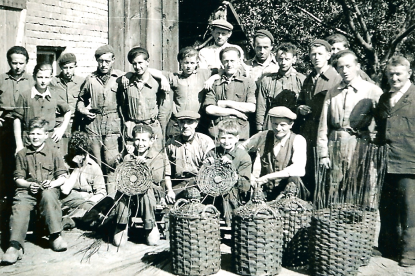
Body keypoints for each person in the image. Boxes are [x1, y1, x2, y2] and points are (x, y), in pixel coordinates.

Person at [1, 118, 68, 265]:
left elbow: (62, 176)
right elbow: (18, 179)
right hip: (27, 191)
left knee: (49, 195)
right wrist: (28, 185)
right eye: (32, 134)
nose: (35, 137)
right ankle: (15, 246)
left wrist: (51, 183)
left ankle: (55, 236)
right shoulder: (22, 154)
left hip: (48, 189)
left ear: (46, 136)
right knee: (20, 204)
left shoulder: (54, 152)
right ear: (27, 136)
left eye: (39, 133)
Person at [375, 56, 415, 266]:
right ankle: (388, 248)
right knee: (387, 208)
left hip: (410, 162)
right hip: (386, 162)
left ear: (409, 73)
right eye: (390, 74)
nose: (394, 78)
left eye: (398, 73)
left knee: (410, 211)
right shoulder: (384, 98)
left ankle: (409, 254)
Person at [317, 50, 382, 171]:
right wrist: (323, 154)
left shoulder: (373, 91)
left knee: (357, 184)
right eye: (341, 67)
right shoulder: (332, 92)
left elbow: (381, 123)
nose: (345, 71)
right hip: (335, 146)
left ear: (357, 66)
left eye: (348, 66)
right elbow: (323, 126)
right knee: (334, 186)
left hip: (360, 146)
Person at [297, 39, 342, 197]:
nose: (316, 57)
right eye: (313, 54)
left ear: (329, 55)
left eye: (320, 54)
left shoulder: (336, 78)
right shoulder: (309, 78)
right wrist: (300, 108)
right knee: (309, 169)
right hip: (308, 131)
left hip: (326, 132)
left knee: (326, 173)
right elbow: (301, 101)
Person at [113, 124, 169, 247]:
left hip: (151, 191)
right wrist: (128, 159)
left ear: (151, 141)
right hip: (130, 193)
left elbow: (157, 179)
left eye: (144, 140)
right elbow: (122, 175)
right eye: (137, 139)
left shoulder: (157, 156)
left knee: (145, 189)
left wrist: (144, 167)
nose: (140, 143)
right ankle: (122, 224)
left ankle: (150, 224)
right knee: (119, 243)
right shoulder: (128, 156)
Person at [77, 45, 123, 180]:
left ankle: (112, 196)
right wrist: (84, 110)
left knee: (112, 162)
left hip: (112, 125)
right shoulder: (90, 79)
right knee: (95, 163)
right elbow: (81, 100)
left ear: (113, 60)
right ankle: (98, 196)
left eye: (107, 61)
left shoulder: (120, 78)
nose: (103, 65)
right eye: (100, 61)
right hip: (93, 125)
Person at [240, 106, 307, 201]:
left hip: (287, 193)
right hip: (265, 191)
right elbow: (240, 149)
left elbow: (298, 168)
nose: (278, 128)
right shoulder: (263, 136)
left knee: (294, 178)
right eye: (275, 124)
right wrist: (248, 174)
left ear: (291, 124)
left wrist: (268, 177)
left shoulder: (298, 140)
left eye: (282, 125)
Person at [117, 47, 171, 153]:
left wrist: (160, 128)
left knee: (155, 159)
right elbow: (123, 106)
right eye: (134, 64)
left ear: (148, 62)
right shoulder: (127, 82)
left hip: (152, 126)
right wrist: (128, 123)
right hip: (133, 127)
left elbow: (164, 109)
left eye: (140, 63)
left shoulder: (157, 83)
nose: (137, 67)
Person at [13, 63, 71, 156]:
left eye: (46, 77)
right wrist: (19, 144)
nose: (43, 81)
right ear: (34, 77)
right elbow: (17, 119)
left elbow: (67, 111)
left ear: (51, 78)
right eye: (40, 77)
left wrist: (61, 129)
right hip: (29, 140)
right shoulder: (25, 96)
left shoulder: (54, 95)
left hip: (49, 141)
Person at [0, 46, 34, 201]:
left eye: (21, 63)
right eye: (14, 63)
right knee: (6, 162)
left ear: (26, 62)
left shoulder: (33, 81)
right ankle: (6, 196)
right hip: (5, 126)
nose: (18, 66)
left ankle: (23, 195)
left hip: (26, 127)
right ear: (9, 62)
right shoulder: (1, 80)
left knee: (25, 161)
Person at [205, 119, 251, 226]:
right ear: (218, 138)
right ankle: (206, 223)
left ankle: (231, 224)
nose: (226, 141)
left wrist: (231, 170)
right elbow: (204, 177)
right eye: (223, 138)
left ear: (237, 138)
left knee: (228, 195)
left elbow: (245, 185)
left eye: (230, 138)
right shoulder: (212, 153)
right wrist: (207, 165)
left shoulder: (243, 156)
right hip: (212, 190)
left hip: (234, 192)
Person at [204, 47, 256, 140]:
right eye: (226, 61)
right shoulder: (214, 82)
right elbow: (209, 109)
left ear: (239, 61)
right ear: (222, 62)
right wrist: (234, 112)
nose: (229, 64)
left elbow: (251, 108)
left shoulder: (248, 82)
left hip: (240, 134)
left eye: (232, 61)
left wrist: (226, 103)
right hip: (218, 133)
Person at [165, 46, 219, 136]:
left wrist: (212, 78)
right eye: (186, 63)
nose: (189, 66)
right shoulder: (174, 77)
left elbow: (222, 71)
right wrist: (162, 79)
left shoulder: (203, 74)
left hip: (196, 120)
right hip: (178, 120)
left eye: (192, 63)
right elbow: (151, 71)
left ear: (197, 63)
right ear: (180, 63)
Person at [59, 131, 107, 229]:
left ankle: (73, 221)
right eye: (75, 154)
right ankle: (78, 220)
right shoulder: (64, 163)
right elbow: (65, 190)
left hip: (88, 203)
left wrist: (88, 200)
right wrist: (77, 167)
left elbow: (101, 192)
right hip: (69, 202)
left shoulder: (94, 166)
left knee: (97, 207)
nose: (78, 156)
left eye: (81, 153)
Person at [165, 110, 215, 203]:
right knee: (168, 209)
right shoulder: (171, 144)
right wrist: (169, 190)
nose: (185, 126)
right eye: (182, 122)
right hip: (179, 183)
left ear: (196, 124)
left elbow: (210, 170)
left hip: (200, 183)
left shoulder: (205, 141)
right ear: (178, 124)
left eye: (189, 122)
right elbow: (166, 172)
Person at [256, 42, 306, 131]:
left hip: (294, 124)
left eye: (287, 59)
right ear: (276, 59)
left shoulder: (301, 80)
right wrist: (259, 129)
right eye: (280, 59)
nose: (283, 62)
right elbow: (261, 107)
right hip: (272, 125)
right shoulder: (267, 80)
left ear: (294, 59)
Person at [49, 53, 85, 155]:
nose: (68, 71)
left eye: (71, 67)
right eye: (65, 68)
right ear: (60, 67)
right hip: (60, 123)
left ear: (75, 66)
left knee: (76, 153)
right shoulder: (53, 82)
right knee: (61, 153)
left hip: (77, 123)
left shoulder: (81, 82)